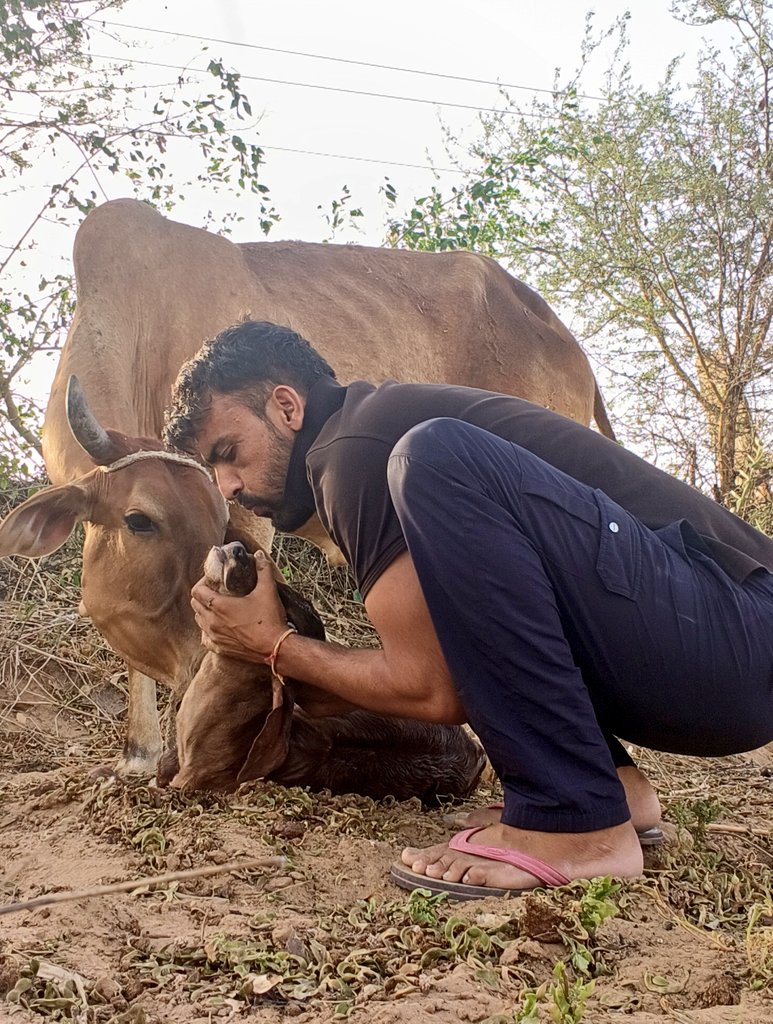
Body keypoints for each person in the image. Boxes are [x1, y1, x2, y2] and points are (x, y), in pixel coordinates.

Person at [164, 319, 773, 900]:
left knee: (433, 456)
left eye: (230, 452)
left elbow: (434, 689)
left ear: (286, 407)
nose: (228, 487)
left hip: (738, 635)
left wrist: (274, 647)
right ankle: (607, 788)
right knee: (457, 575)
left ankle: (576, 824)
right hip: (723, 656)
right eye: (213, 471)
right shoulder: (365, 439)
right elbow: (469, 649)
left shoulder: (349, 451)